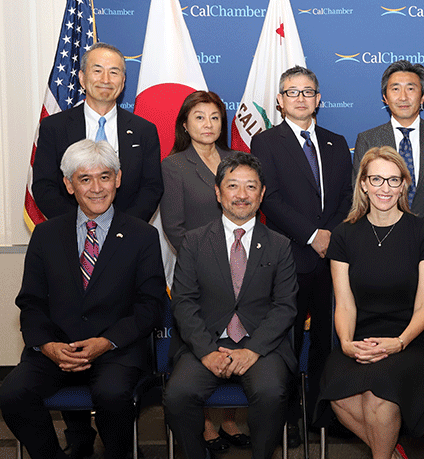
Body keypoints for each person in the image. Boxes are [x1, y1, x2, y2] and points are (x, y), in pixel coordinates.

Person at [0, 139, 165, 459]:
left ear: (118, 179)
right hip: (56, 347)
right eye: (85, 178)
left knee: (113, 394)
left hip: (116, 350)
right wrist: (47, 346)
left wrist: (105, 342)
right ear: (68, 184)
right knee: (13, 394)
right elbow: (31, 302)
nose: (96, 188)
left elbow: (150, 307)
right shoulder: (46, 235)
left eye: (105, 176)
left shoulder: (142, 235)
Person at [164, 153, 298, 459]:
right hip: (206, 345)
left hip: (262, 346)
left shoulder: (279, 245)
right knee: (177, 395)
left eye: (250, 187)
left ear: (262, 193)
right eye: (232, 186)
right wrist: (207, 352)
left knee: (271, 393)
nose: (241, 195)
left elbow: (285, 306)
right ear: (217, 191)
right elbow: (183, 303)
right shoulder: (194, 242)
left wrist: (254, 350)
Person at [316, 146, 424, 459]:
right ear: (363, 183)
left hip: (413, 339)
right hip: (361, 337)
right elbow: (344, 304)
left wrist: (398, 343)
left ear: (404, 184)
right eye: (376, 179)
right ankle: (394, 453)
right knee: (341, 396)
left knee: (378, 397)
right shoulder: (344, 235)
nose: (384, 188)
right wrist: (346, 342)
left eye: (393, 180)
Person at [251, 65, 353, 438]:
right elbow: (271, 199)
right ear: (280, 101)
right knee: (288, 342)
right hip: (289, 256)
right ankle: (289, 418)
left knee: (328, 340)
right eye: (292, 92)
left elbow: (347, 196)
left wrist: (332, 236)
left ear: (318, 99)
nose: (300, 98)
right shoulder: (265, 142)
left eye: (307, 91)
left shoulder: (336, 141)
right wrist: (313, 235)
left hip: (333, 259)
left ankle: (325, 415)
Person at [159, 90, 250, 453]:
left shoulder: (237, 159)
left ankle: (228, 420)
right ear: (185, 123)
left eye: (214, 117)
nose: (208, 124)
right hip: (198, 272)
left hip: (242, 267)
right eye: (199, 117)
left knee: (235, 336)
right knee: (205, 342)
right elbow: (174, 226)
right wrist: (210, 264)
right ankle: (208, 426)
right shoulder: (174, 165)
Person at [32, 42, 163, 224]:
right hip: (70, 236)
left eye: (114, 72)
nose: (106, 80)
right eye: (97, 71)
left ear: (123, 81)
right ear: (82, 78)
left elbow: (151, 188)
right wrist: (80, 227)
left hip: (127, 237)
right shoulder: (54, 127)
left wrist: (123, 229)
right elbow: (44, 187)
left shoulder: (144, 130)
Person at [353, 59, 424, 240]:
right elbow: (360, 191)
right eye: (395, 89)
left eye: (411, 89)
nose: (403, 97)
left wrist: (423, 232)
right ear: (385, 98)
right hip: (379, 240)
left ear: (423, 96)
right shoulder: (368, 139)